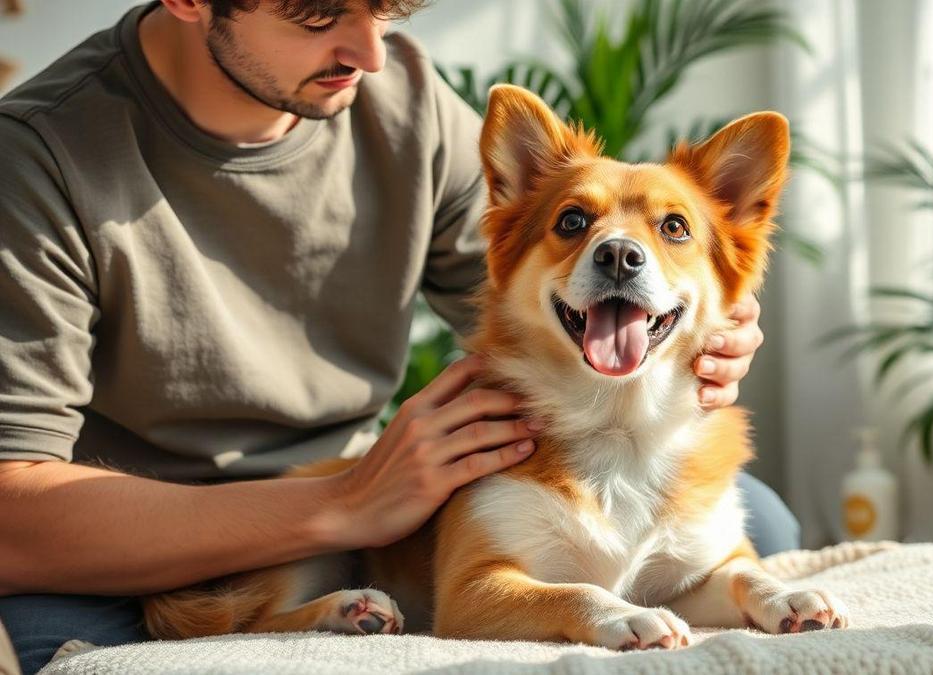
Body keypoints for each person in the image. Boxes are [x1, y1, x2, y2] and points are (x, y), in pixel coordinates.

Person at [0, 1, 800, 672]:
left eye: (386, 7)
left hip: (369, 500)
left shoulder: (400, 97)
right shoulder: (37, 159)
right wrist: (344, 501)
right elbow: (11, 517)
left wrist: (702, 327)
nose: (372, 54)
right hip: (123, 545)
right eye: (317, 12)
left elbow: (535, 305)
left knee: (759, 515)